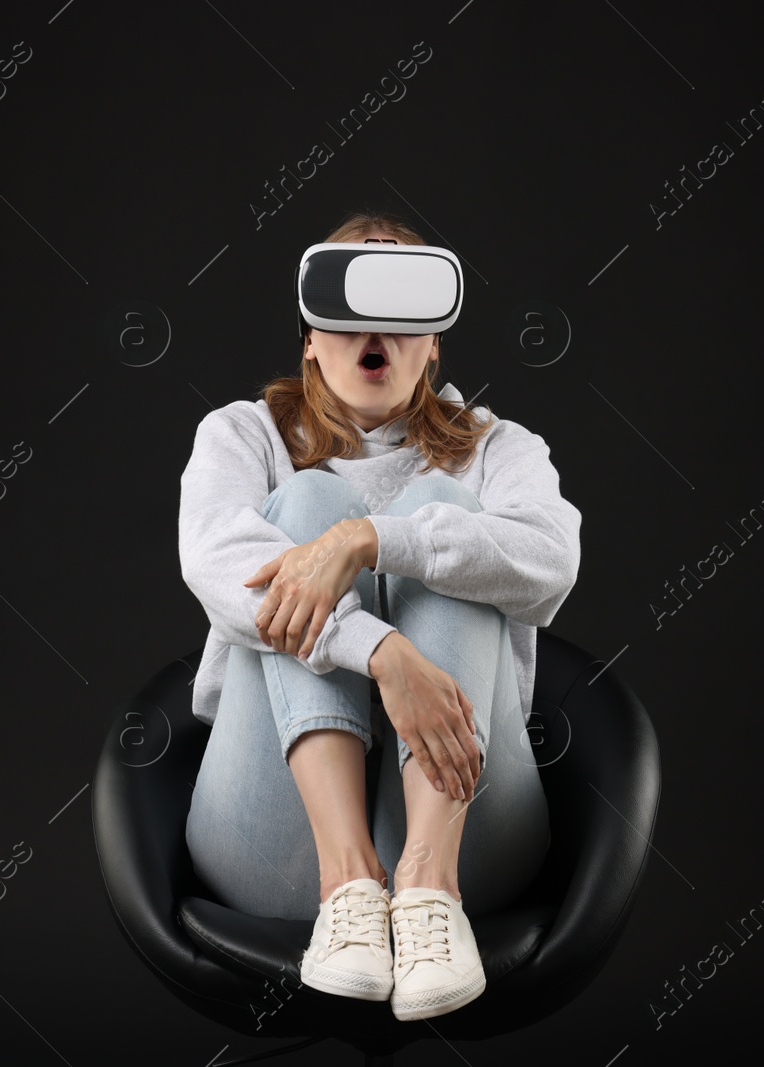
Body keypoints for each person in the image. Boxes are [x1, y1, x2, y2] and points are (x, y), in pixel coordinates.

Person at [178, 209, 582, 1021]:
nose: (375, 333)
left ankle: (428, 889)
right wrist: (384, 654)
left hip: (471, 839)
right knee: (309, 502)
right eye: (347, 305)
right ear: (307, 336)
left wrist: (375, 540)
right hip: (271, 835)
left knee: (442, 507)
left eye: (402, 311)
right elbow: (218, 566)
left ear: (435, 341)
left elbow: (551, 564)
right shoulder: (240, 436)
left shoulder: (500, 450)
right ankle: (348, 883)